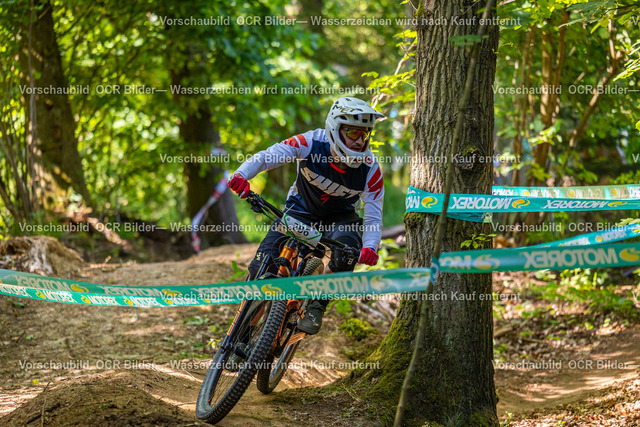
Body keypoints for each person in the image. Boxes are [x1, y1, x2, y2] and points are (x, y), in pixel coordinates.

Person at [227, 97, 385, 335]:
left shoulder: (371, 169)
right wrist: (242, 174)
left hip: (340, 220)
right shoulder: (310, 142)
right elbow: (269, 156)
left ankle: (317, 306)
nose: (360, 140)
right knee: (260, 267)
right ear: (335, 129)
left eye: (364, 134)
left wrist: (371, 246)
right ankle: (242, 332)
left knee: (348, 250)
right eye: (354, 132)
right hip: (300, 210)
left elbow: (373, 216)